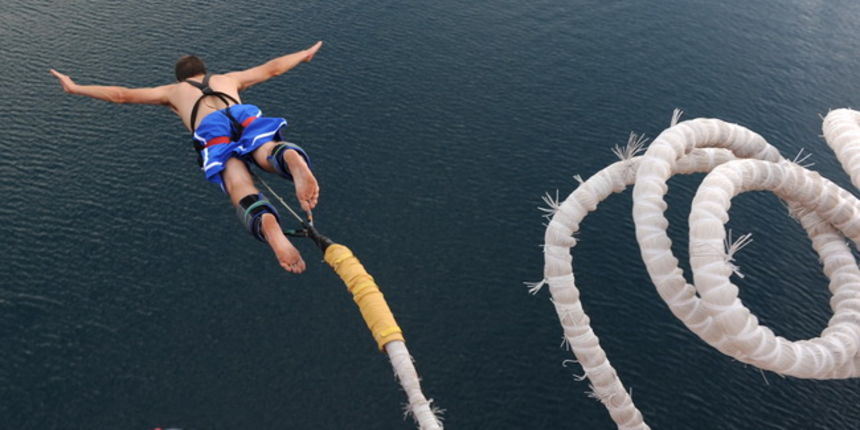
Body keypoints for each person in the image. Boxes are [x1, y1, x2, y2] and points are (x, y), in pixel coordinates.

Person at [50, 41, 324, 274]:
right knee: (265, 149)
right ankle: (290, 158)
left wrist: (75, 87)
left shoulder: (173, 91)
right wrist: (304, 54)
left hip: (211, 130)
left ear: (181, 78)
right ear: (204, 70)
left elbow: (121, 95)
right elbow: (273, 68)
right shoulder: (228, 79)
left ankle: (268, 224)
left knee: (237, 182)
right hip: (243, 115)